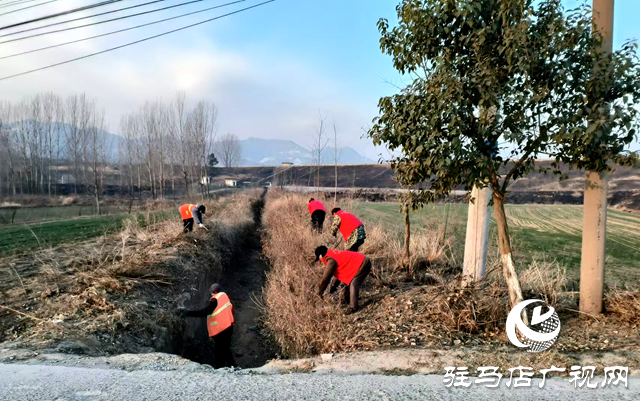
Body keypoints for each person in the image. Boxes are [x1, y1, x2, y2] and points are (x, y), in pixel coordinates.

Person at [177, 284, 237, 369]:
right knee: (226, 348)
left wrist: (188, 313)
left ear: (214, 292)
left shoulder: (215, 300)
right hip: (229, 326)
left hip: (220, 329)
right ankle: (233, 366)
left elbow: (205, 312)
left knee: (219, 349)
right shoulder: (225, 296)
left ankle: (220, 366)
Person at [314, 246, 372, 313]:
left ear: (321, 256)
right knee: (346, 282)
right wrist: (334, 286)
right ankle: (346, 300)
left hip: (363, 263)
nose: (320, 262)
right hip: (362, 261)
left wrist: (320, 291)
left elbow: (326, 278)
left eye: (319, 260)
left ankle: (353, 307)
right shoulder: (333, 254)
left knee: (353, 284)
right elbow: (340, 273)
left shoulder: (330, 260)